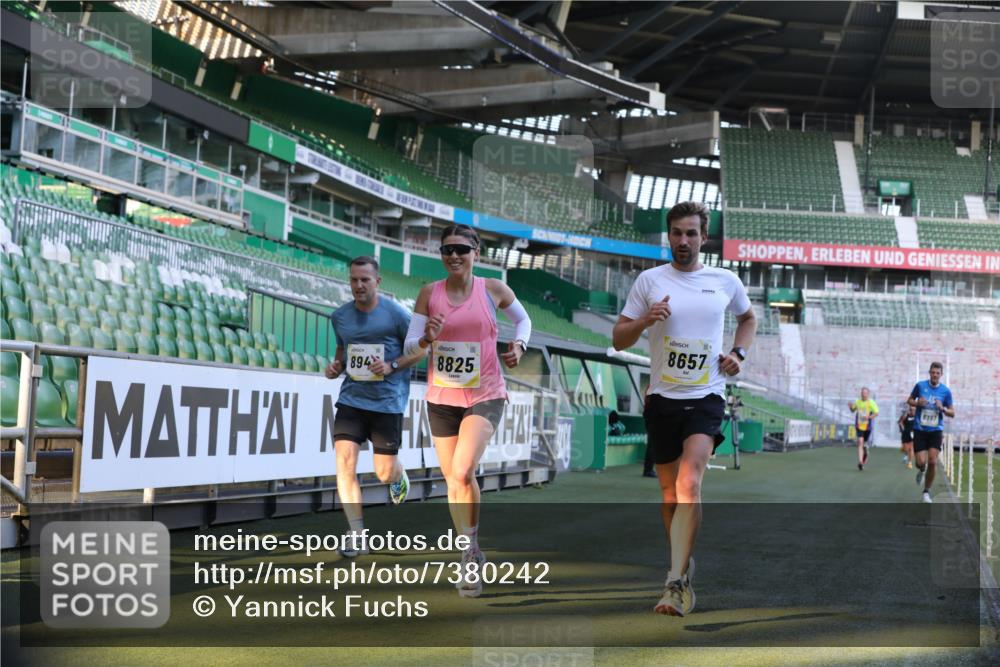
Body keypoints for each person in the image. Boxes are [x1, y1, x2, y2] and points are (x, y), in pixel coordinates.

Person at [612, 201, 757, 617]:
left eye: (691, 233)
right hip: (662, 399)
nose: (683, 240)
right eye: (676, 232)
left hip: (706, 396)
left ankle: (675, 582)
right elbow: (619, 338)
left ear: (703, 237)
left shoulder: (725, 280)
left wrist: (739, 354)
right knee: (668, 495)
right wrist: (644, 321)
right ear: (668, 236)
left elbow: (749, 319)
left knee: (689, 484)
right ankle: (682, 561)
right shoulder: (649, 281)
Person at [404, 224, 532, 598]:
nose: (454, 256)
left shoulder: (492, 289)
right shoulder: (430, 294)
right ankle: (470, 550)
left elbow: (523, 320)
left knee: (462, 471)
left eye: (462, 249)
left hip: (485, 394)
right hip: (442, 398)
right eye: (447, 250)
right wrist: (427, 336)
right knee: (454, 481)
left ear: (476, 252)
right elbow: (412, 346)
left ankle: (469, 550)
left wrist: (520, 345)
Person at [325, 256, 426, 557]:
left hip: (387, 402)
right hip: (351, 399)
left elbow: (422, 349)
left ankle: (398, 474)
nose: (358, 285)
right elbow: (342, 353)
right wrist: (336, 367)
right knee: (344, 464)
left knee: (383, 473)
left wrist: (392, 364)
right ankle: (356, 533)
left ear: (377, 282)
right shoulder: (339, 316)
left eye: (364, 280)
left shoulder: (396, 315)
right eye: (354, 279)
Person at [908, 361, 956, 504]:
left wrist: (943, 409)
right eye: (933, 372)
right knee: (921, 462)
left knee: (933, 461)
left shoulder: (946, 391)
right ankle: (922, 470)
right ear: (929, 373)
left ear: (941, 375)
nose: (935, 375)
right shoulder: (920, 386)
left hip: (936, 430)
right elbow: (909, 400)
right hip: (920, 429)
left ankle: (926, 492)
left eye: (938, 373)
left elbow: (952, 413)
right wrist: (917, 403)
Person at [848, 387, 879, 471]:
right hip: (859, 425)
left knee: (864, 444)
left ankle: (865, 451)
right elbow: (853, 410)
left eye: (865, 393)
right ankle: (860, 462)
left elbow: (876, 413)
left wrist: (868, 417)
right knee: (860, 442)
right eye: (862, 393)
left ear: (868, 394)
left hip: (867, 427)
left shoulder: (871, 402)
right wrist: (850, 407)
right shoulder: (858, 402)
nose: (863, 394)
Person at [898, 403, 916, 469]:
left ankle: (910, 462)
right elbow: (900, 422)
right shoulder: (905, 416)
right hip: (905, 433)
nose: (912, 411)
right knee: (906, 449)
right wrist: (902, 429)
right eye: (911, 410)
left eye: (914, 410)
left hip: (913, 434)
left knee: (911, 448)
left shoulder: (917, 417)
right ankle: (905, 453)